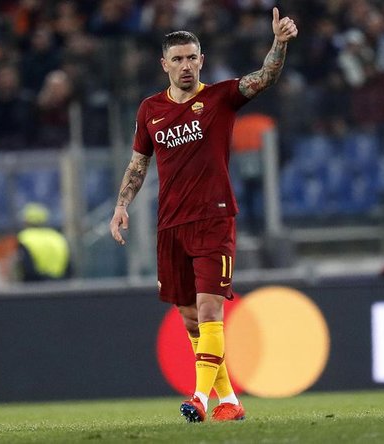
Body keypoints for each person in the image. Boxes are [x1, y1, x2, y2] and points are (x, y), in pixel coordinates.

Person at [109, 8, 297, 422]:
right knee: (190, 317)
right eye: (177, 59)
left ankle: (198, 398)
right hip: (170, 225)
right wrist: (121, 205)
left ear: (202, 60)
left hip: (214, 219)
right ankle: (229, 400)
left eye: (192, 57)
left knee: (210, 309)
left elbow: (264, 76)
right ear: (164, 64)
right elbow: (138, 163)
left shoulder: (220, 98)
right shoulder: (150, 110)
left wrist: (279, 43)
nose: (186, 65)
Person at [16, 203, 72, 282]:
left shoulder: (24, 237)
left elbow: (26, 268)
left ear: (26, 221)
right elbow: (69, 267)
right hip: (61, 284)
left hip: (35, 286)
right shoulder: (58, 237)